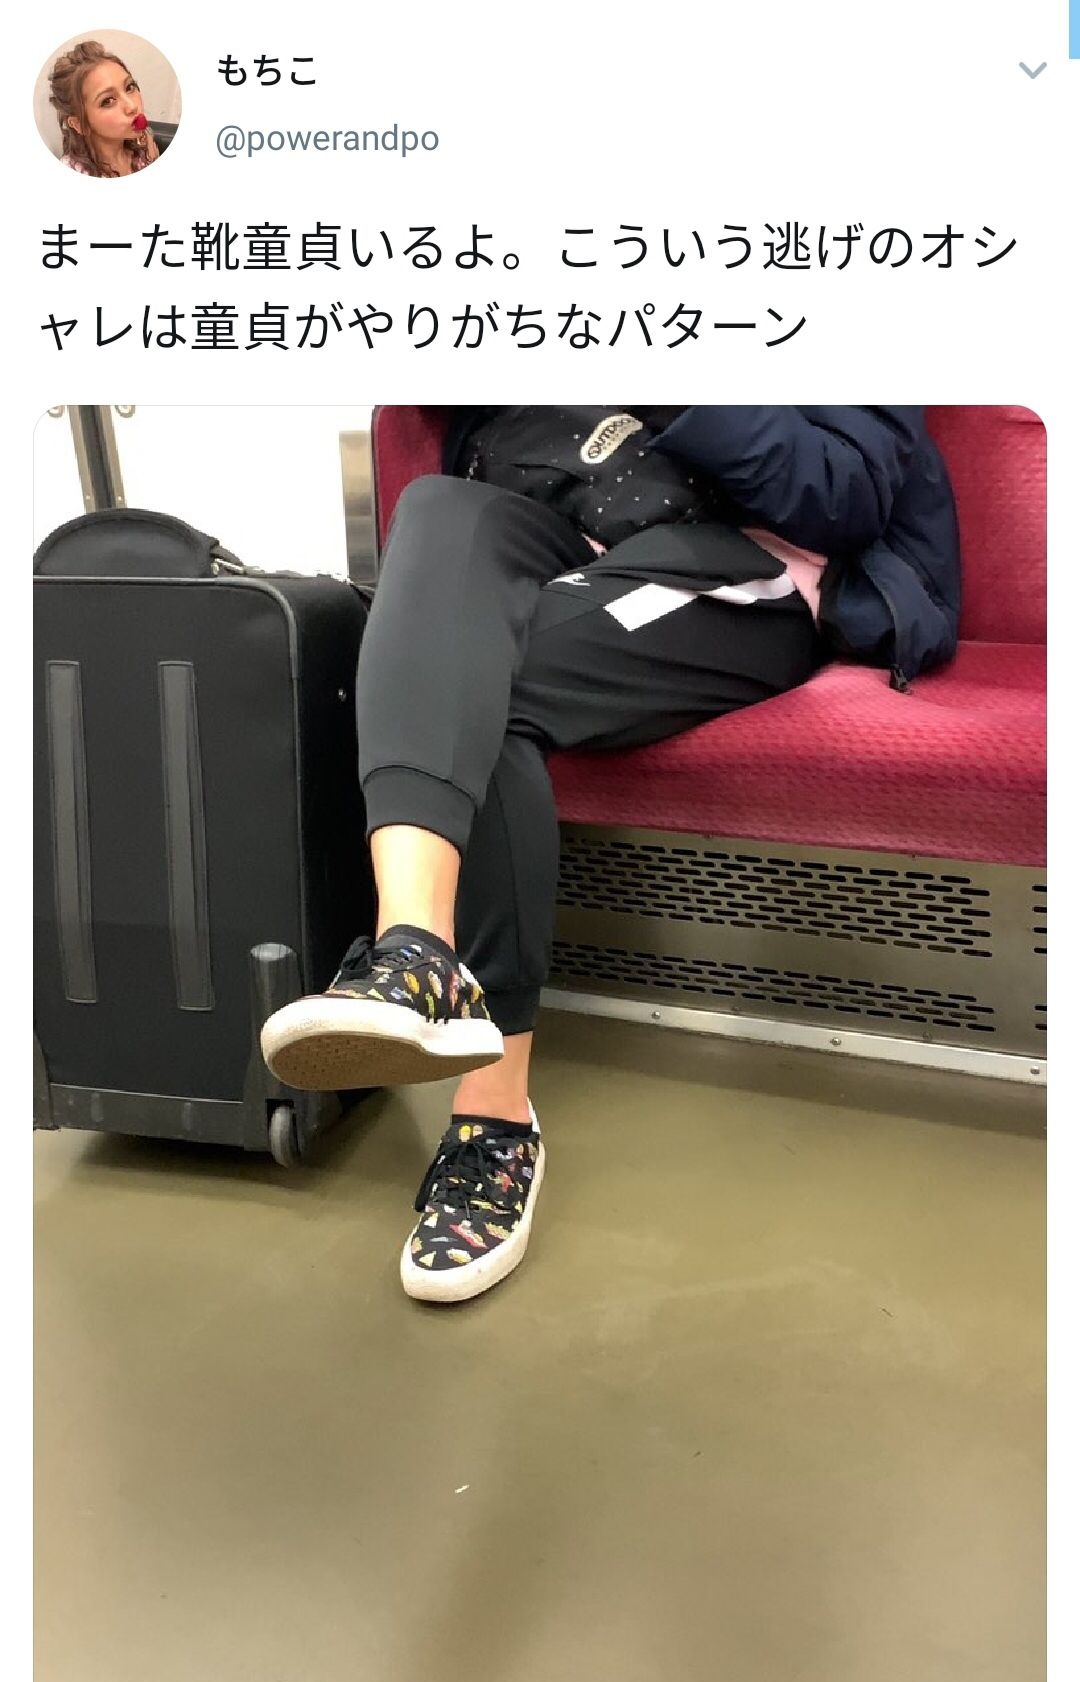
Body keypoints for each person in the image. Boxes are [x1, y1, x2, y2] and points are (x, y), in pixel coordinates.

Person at [260, 405, 960, 1305]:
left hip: (738, 563)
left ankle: (493, 1122)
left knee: (487, 688)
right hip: (564, 527)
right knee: (436, 506)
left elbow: (841, 495)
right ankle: (412, 955)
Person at [48, 41, 160, 176]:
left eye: (129, 87)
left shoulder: (144, 147)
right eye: (108, 101)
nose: (132, 106)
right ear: (79, 124)